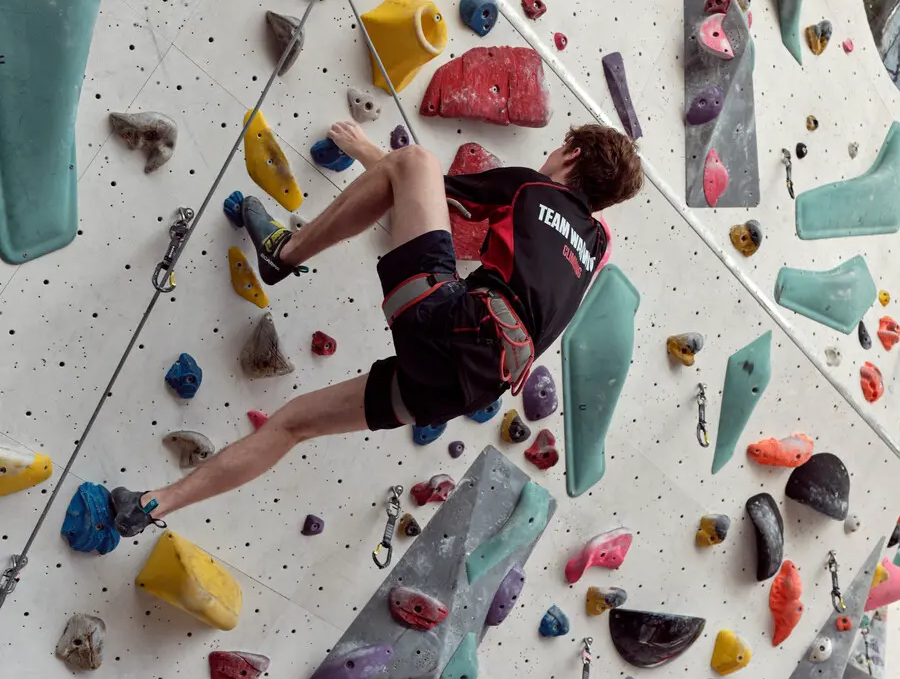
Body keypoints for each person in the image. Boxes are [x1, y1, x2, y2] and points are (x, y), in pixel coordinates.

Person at [109, 120, 643, 536]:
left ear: (570, 155)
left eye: (559, 148)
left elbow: (427, 186)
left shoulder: (533, 188)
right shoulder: (595, 246)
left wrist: (365, 147)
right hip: (467, 386)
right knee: (292, 424)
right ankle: (149, 506)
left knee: (416, 160)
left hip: (454, 327)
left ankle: (283, 252)